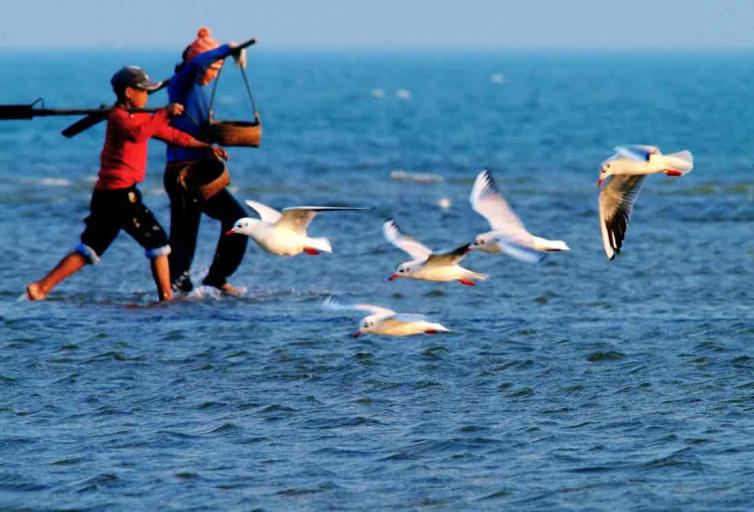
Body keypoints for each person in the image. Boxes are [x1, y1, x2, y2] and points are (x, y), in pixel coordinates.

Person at [26, 65, 228, 302]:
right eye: (143, 91)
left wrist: (205, 146)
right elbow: (138, 134)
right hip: (120, 195)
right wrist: (164, 112)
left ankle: (41, 287)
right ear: (129, 92)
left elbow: (172, 135)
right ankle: (167, 299)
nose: (146, 96)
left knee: (90, 248)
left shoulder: (140, 118)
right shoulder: (119, 118)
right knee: (158, 242)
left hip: (107, 195)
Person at [163, 27, 250, 296]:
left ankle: (214, 279)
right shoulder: (185, 79)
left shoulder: (192, 86)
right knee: (185, 236)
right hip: (183, 173)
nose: (213, 75)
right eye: (213, 69)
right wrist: (230, 47)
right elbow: (199, 62)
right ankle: (177, 288)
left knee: (237, 220)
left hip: (199, 170)